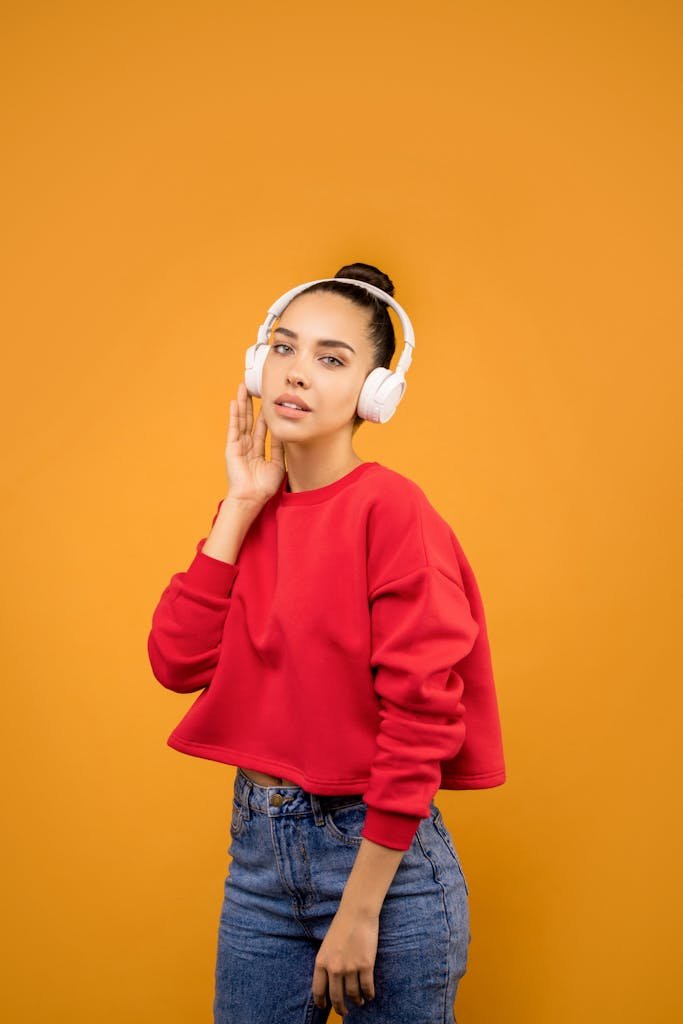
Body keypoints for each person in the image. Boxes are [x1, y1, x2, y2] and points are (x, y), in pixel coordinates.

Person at [147, 262, 506, 1022]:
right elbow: (176, 662)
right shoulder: (248, 513)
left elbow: (422, 719)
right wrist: (240, 507)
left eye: (330, 359)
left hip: (382, 867)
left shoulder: (392, 512)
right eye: (283, 348)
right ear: (257, 363)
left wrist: (359, 909)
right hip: (257, 863)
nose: (297, 372)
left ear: (376, 393)